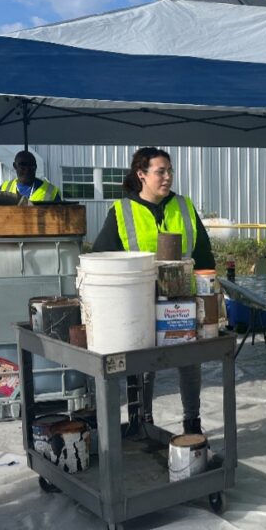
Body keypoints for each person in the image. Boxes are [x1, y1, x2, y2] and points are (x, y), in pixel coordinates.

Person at [92, 147, 215, 435]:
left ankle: (192, 423)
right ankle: (143, 421)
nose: (168, 177)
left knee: (189, 361)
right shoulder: (122, 211)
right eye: (161, 171)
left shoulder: (184, 206)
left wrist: (209, 301)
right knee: (144, 365)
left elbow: (204, 255)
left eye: (170, 171)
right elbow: (100, 258)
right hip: (141, 302)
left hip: (182, 299)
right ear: (141, 174)